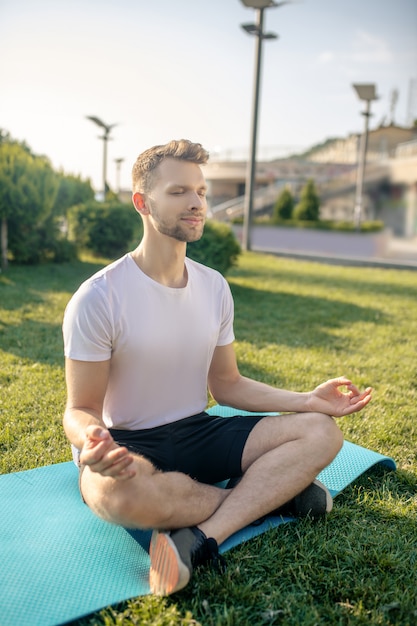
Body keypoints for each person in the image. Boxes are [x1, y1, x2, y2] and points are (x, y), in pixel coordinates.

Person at [62, 139, 372, 596]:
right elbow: (80, 406)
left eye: (202, 192)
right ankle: (274, 496)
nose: (196, 203)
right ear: (142, 202)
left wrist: (308, 401)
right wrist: (92, 440)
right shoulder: (99, 296)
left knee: (321, 431)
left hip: (197, 431)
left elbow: (226, 385)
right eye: (179, 191)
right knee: (116, 496)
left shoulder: (214, 287)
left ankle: (205, 537)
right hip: (125, 443)